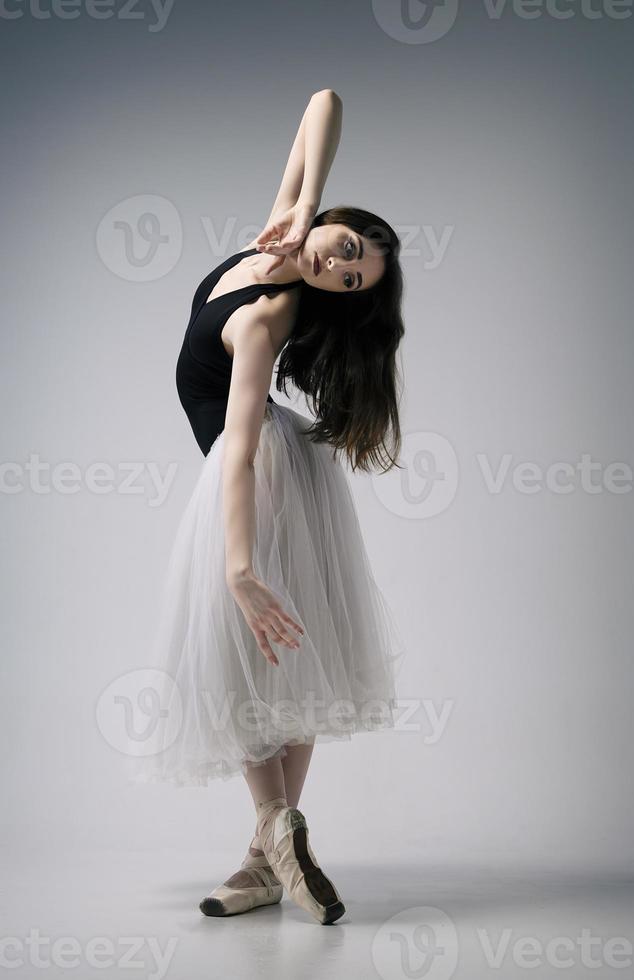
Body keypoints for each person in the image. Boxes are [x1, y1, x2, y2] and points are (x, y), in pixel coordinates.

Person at [133, 90, 407, 925]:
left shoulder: (265, 313)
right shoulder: (282, 233)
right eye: (348, 247)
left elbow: (241, 450)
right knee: (278, 665)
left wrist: (240, 566)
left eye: (353, 277)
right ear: (334, 220)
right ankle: (269, 855)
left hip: (258, 476)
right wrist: (304, 206)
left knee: (255, 659)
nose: (339, 266)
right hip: (275, 469)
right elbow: (324, 101)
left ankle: (270, 832)